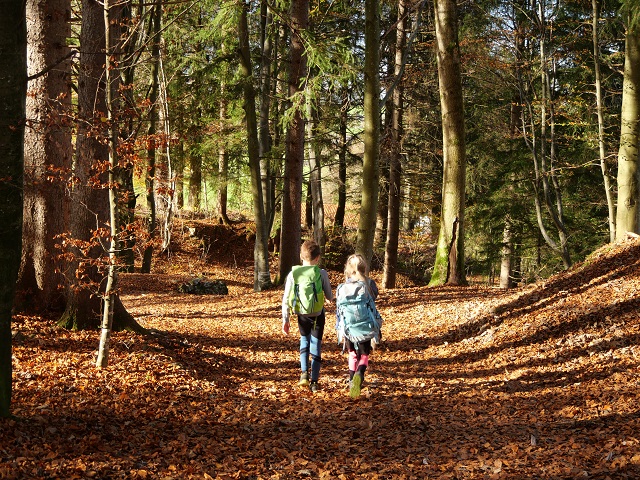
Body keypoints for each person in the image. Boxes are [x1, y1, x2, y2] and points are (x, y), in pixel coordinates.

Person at [281, 240, 334, 393]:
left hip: (302, 314)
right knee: (316, 345)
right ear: (318, 258)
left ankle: (304, 375)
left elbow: (286, 298)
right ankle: (315, 382)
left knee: (304, 340)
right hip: (318, 314)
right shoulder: (321, 273)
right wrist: (331, 300)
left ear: (300, 256)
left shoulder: (293, 274)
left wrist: (286, 320)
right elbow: (329, 295)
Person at [336, 254, 382, 399]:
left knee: (352, 354)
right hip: (365, 326)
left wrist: (339, 329)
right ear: (364, 268)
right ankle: (360, 373)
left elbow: (338, 311)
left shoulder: (341, 288)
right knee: (364, 354)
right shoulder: (369, 285)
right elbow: (374, 300)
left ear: (348, 270)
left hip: (349, 328)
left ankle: (351, 380)